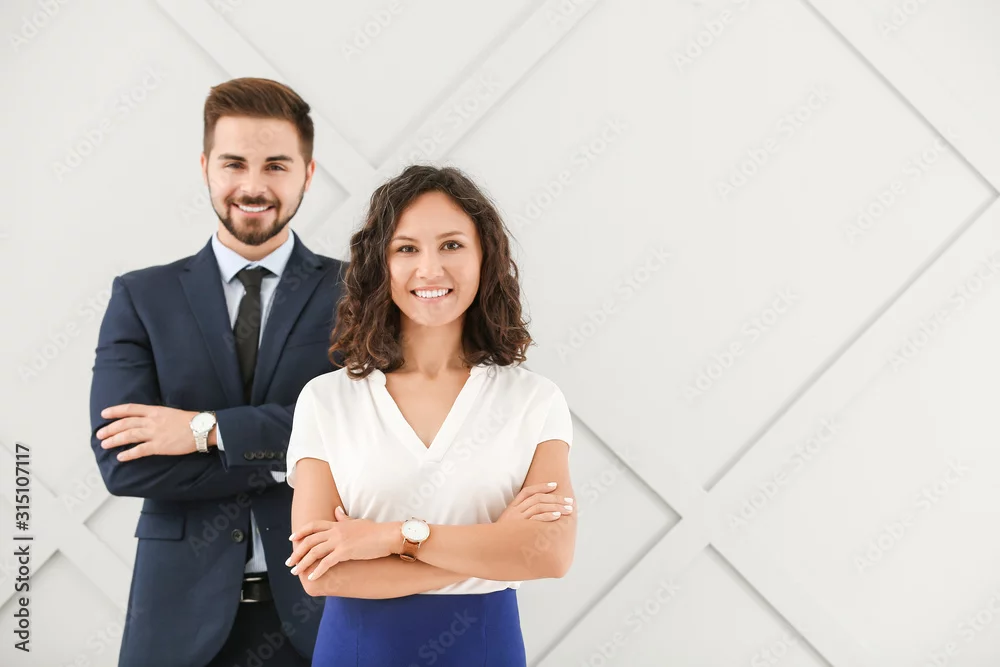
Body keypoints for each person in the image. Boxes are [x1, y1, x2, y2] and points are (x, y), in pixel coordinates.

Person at [88, 77, 345, 667]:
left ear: (308, 174)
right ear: (205, 167)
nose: (253, 186)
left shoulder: (358, 293)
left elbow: (368, 433)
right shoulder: (142, 297)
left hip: (325, 613)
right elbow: (122, 463)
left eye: (276, 165)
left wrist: (203, 431)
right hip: (177, 623)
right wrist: (287, 460)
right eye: (234, 164)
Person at [283, 165, 578, 666]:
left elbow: (550, 554)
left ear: (485, 257)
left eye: (452, 245)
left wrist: (389, 537)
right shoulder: (326, 400)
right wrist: (495, 549)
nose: (430, 269)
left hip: (483, 650)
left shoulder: (534, 400)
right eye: (406, 249)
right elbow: (321, 573)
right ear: (381, 265)